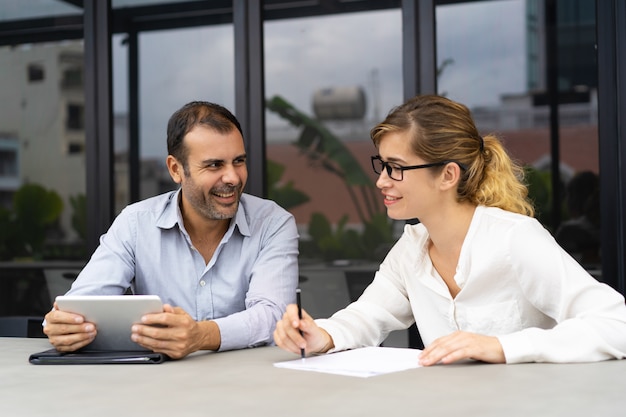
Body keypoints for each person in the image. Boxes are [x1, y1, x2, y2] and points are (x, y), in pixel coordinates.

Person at [273, 94, 626, 365]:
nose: (381, 181)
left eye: (396, 168)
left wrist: (502, 346)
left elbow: (617, 324)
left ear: (447, 175)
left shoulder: (513, 239)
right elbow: (368, 315)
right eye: (381, 165)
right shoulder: (410, 249)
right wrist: (321, 334)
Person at [44, 101, 299, 359]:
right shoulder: (135, 224)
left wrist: (201, 335)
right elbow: (79, 305)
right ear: (176, 169)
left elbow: (273, 315)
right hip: (158, 388)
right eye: (214, 165)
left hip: (251, 386)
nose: (233, 177)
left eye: (239, 161)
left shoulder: (273, 223)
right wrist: (62, 325)